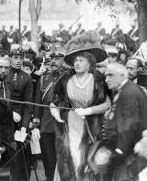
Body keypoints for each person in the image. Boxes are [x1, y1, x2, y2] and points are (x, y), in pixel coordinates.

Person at [50, 31, 110, 181]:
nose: (77, 63)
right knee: (70, 159)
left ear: (89, 63)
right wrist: (57, 116)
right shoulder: (65, 79)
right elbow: (53, 103)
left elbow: (107, 104)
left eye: (81, 60)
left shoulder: (98, 79)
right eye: (76, 60)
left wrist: (88, 110)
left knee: (87, 159)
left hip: (91, 127)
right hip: (69, 125)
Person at [101, 63, 147, 181]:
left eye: (110, 75)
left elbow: (128, 127)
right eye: (106, 76)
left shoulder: (128, 93)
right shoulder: (127, 90)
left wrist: (119, 152)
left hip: (128, 155)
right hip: (128, 153)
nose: (106, 80)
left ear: (122, 75)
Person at [33, 46, 68, 181]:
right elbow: (38, 104)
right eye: (52, 58)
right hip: (46, 126)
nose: (53, 61)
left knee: (63, 158)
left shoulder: (68, 77)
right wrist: (36, 124)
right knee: (48, 159)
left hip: (63, 125)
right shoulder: (43, 78)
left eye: (57, 59)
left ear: (63, 60)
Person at [6, 44, 33, 181]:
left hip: (21, 122)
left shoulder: (26, 78)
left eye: (20, 58)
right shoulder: (4, 74)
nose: (18, 60)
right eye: (15, 57)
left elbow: (28, 104)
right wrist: (10, 113)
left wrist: (24, 126)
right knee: (8, 158)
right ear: (10, 58)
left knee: (22, 157)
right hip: (5, 120)